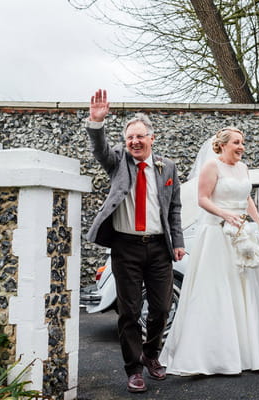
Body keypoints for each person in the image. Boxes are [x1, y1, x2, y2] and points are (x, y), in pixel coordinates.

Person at [159, 126, 259, 375]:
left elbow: (247, 199)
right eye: (236, 142)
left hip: (242, 232)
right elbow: (203, 199)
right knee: (219, 290)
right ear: (222, 145)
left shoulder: (243, 168)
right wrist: (225, 215)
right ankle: (218, 353)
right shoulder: (211, 167)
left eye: (242, 142)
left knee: (247, 289)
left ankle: (252, 349)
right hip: (216, 235)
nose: (241, 146)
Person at [85, 89, 185, 393]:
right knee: (128, 311)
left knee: (162, 308)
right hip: (125, 247)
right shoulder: (119, 162)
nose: (135, 142)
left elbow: (174, 208)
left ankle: (151, 354)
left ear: (152, 138)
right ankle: (134, 369)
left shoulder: (167, 168)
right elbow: (101, 151)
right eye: (130, 138)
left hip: (158, 247)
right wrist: (96, 122)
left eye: (140, 137)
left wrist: (177, 241)